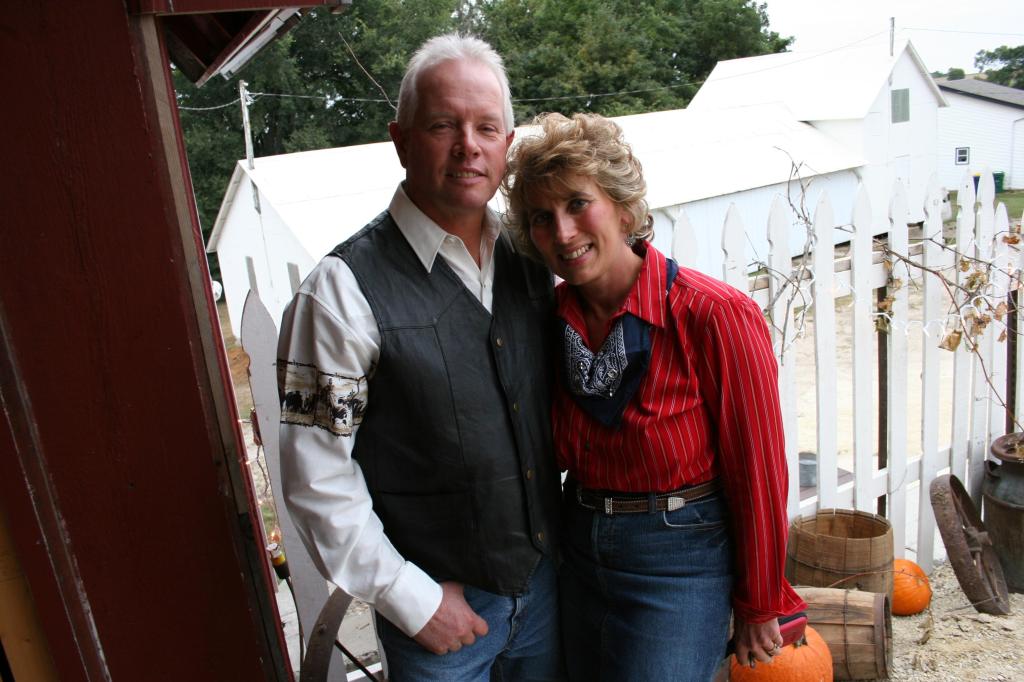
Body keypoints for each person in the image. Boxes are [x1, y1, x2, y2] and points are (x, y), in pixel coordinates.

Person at [277, 34, 564, 681]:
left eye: (486, 127)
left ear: (508, 146)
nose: (469, 146)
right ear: (400, 138)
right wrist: (413, 600)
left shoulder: (534, 258)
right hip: (442, 621)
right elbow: (315, 472)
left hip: (549, 595)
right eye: (443, 125)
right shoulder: (340, 291)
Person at [503, 112, 806, 681]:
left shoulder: (713, 314)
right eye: (542, 218)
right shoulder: (549, 323)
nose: (563, 233)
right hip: (578, 550)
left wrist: (761, 598)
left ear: (621, 206)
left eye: (576, 203)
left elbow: (759, 467)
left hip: (680, 558)